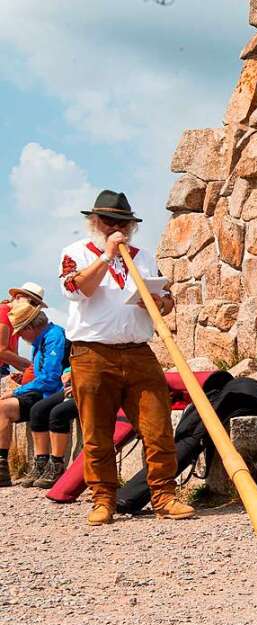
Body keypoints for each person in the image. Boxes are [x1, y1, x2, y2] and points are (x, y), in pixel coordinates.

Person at [59, 190, 194, 525]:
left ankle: (164, 495)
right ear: (94, 222)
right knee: (97, 431)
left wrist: (157, 302)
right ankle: (103, 499)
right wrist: (106, 257)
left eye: (122, 222)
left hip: (137, 351)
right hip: (92, 352)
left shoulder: (143, 257)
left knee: (157, 426)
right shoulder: (75, 252)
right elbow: (79, 289)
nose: (115, 227)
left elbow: (166, 299)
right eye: (108, 221)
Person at [0, 304, 66, 486]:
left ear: (30, 327)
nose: (20, 337)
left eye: (21, 332)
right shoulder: (40, 340)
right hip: (43, 390)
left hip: (56, 390)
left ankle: (45, 463)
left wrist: (17, 391)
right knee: (3, 408)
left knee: (39, 410)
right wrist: (23, 379)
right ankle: (2, 467)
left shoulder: (54, 337)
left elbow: (51, 379)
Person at [20, 368, 77, 489]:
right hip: (76, 383)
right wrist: (68, 372)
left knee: (59, 413)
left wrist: (81, 381)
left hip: (93, 385)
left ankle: (57, 465)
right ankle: (42, 463)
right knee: (37, 410)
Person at [0, 282, 45, 379]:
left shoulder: (17, 319)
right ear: (17, 297)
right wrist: (34, 367)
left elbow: (13, 356)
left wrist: (30, 372)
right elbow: (1, 351)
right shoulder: (3, 311)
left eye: (36, 306)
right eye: (32, 303)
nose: (33, 308)